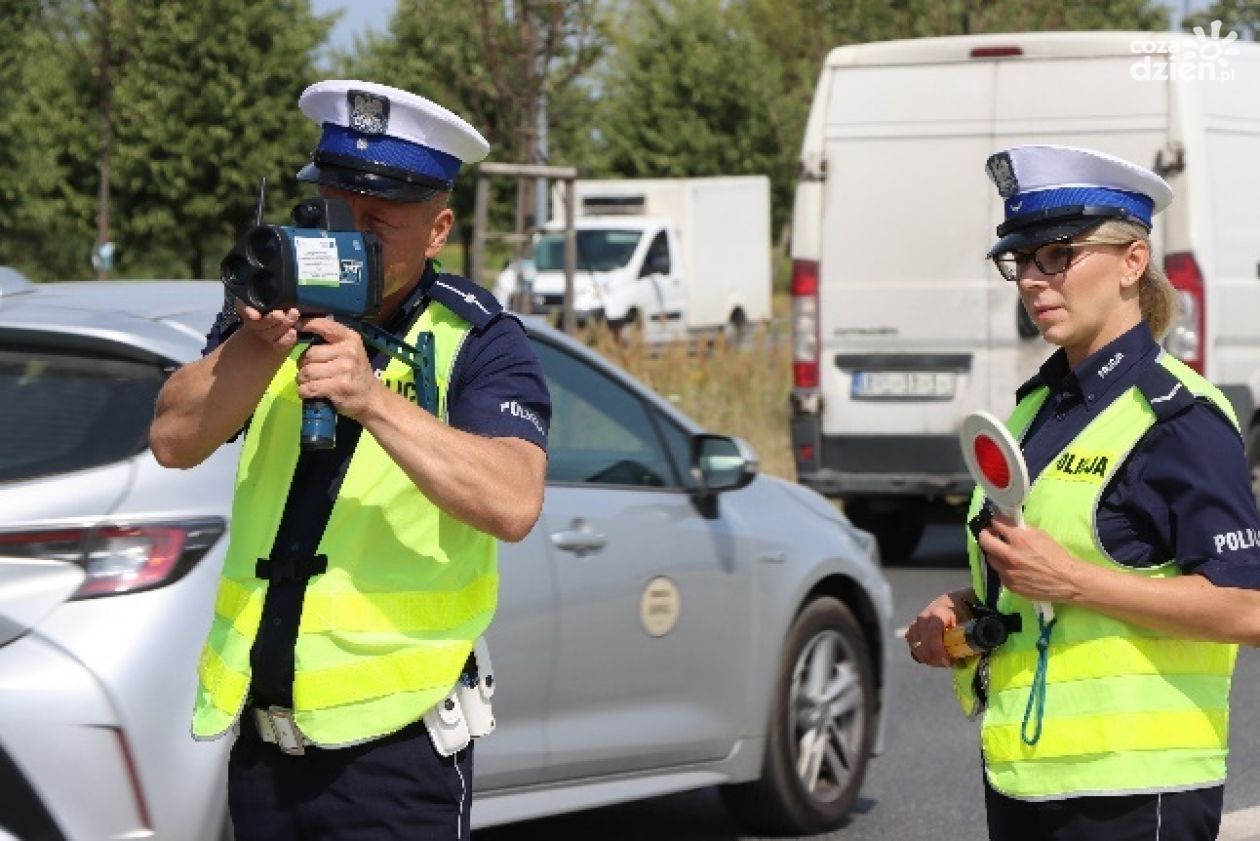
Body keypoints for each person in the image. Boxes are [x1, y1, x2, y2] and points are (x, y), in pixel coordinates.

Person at [149, 80, 550, 841]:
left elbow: (514, 499)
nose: (346, 235)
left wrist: (374, 400)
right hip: (263, 749)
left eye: (376, 220)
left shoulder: (479, 336)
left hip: (394, 758)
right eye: (332, 208)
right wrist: (256, 342)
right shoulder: (268, 313)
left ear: (437, 231)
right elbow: (173, 438)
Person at [904, 144, 1260, 841]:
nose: (1034, 280)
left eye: (1058, 256)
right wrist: (971, 612)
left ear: (1133, 262)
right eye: (1021, 260)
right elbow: (1048, 582)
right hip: (1026, 780)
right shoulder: (1034, 409)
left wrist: (1071, 582)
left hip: (1138, 792)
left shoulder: (1179, 417)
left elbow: (1248, 606)